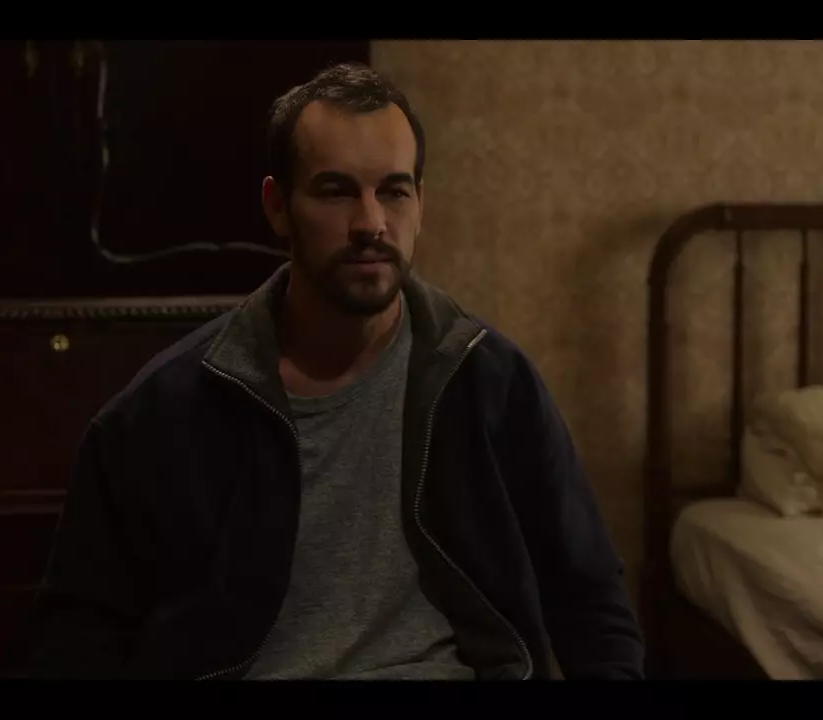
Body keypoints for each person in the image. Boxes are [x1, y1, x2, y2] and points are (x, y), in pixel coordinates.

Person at [31, 62, 644, 681]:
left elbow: (591, 597)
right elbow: (77, 636)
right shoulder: (162, 414)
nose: (371, 223)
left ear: (421, 204)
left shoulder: (489, 380)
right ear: (278, 207)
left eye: (394, 191)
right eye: (336, 191)